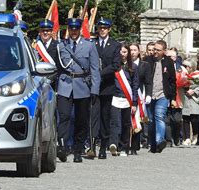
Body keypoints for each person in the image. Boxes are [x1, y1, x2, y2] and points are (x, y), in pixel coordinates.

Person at [57, 18, 101, 163]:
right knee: (64, 117)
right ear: (68, 29)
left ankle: (78, 149)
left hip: (83, 86)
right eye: (71, 29)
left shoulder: (89, 46)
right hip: (65, 85)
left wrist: (95, 89)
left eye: (76, 29)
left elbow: (95, 69)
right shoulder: (61, 46)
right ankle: (62, 146)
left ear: (80, 30)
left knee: (81, 120)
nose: (74, 32)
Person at [93, 18, 122, 159]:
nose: (102, 30)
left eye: (105, 28)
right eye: (100, 28)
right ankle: (92, 145)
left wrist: (100, 73)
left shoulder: (115, 45)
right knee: (93, 116)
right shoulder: (92, 43)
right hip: (92, 86)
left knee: (105, 117)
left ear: (109, 29)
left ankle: (103, 147)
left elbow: (116, 65)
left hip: (106, 86)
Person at [144, 40, 177, 153]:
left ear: (164, 51)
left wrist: (173, 97)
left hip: (162, 94)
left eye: (158, 50)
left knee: (159, 116)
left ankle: (160, 141)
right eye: (154, 49)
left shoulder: (169, 62)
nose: (155, 52)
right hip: (149, 94)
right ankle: (153, 144)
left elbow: (173, 81)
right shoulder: (148, 60)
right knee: (151, 120)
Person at [110, 44, 139, 156]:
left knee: (126, 123)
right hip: (115, 97)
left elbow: (135, 85)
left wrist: (135, 102)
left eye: (125, 52)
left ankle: (124, 147)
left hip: (127, 98)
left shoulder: (133, 67)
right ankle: (113, 144)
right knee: (115, 122)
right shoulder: (115, 66)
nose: (123, 54)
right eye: (121, 52)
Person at [129, 43, 152, 152]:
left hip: (139, 94)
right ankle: (124, 143)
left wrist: (148, 94)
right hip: (126, 94)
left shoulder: (145, 65)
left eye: (134, 50)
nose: (132, 52)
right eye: (131, 50)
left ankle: (135, 145)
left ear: (139, 52)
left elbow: (148, 82)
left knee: (137, 118)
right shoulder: (124, 64)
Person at [182, 58, 199, 146]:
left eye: (186, 66)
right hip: (185, 98)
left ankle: (195, 135)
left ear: (191, 67)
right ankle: (187, 138)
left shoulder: (198, 75)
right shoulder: (182, 74)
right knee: (185, 118)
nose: (185, 68)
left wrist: (194, 91)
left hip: (195, 99)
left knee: (194, 119)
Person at [34, 19, 60, 87]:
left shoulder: (58, 45)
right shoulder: (34, 46)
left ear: (51, 32)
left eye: (48, 30)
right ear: (39, 32)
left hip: (53, 83)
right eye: (43, 30)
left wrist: (50, 79)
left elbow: (59, 66)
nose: (45, 32)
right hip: (37, 82)